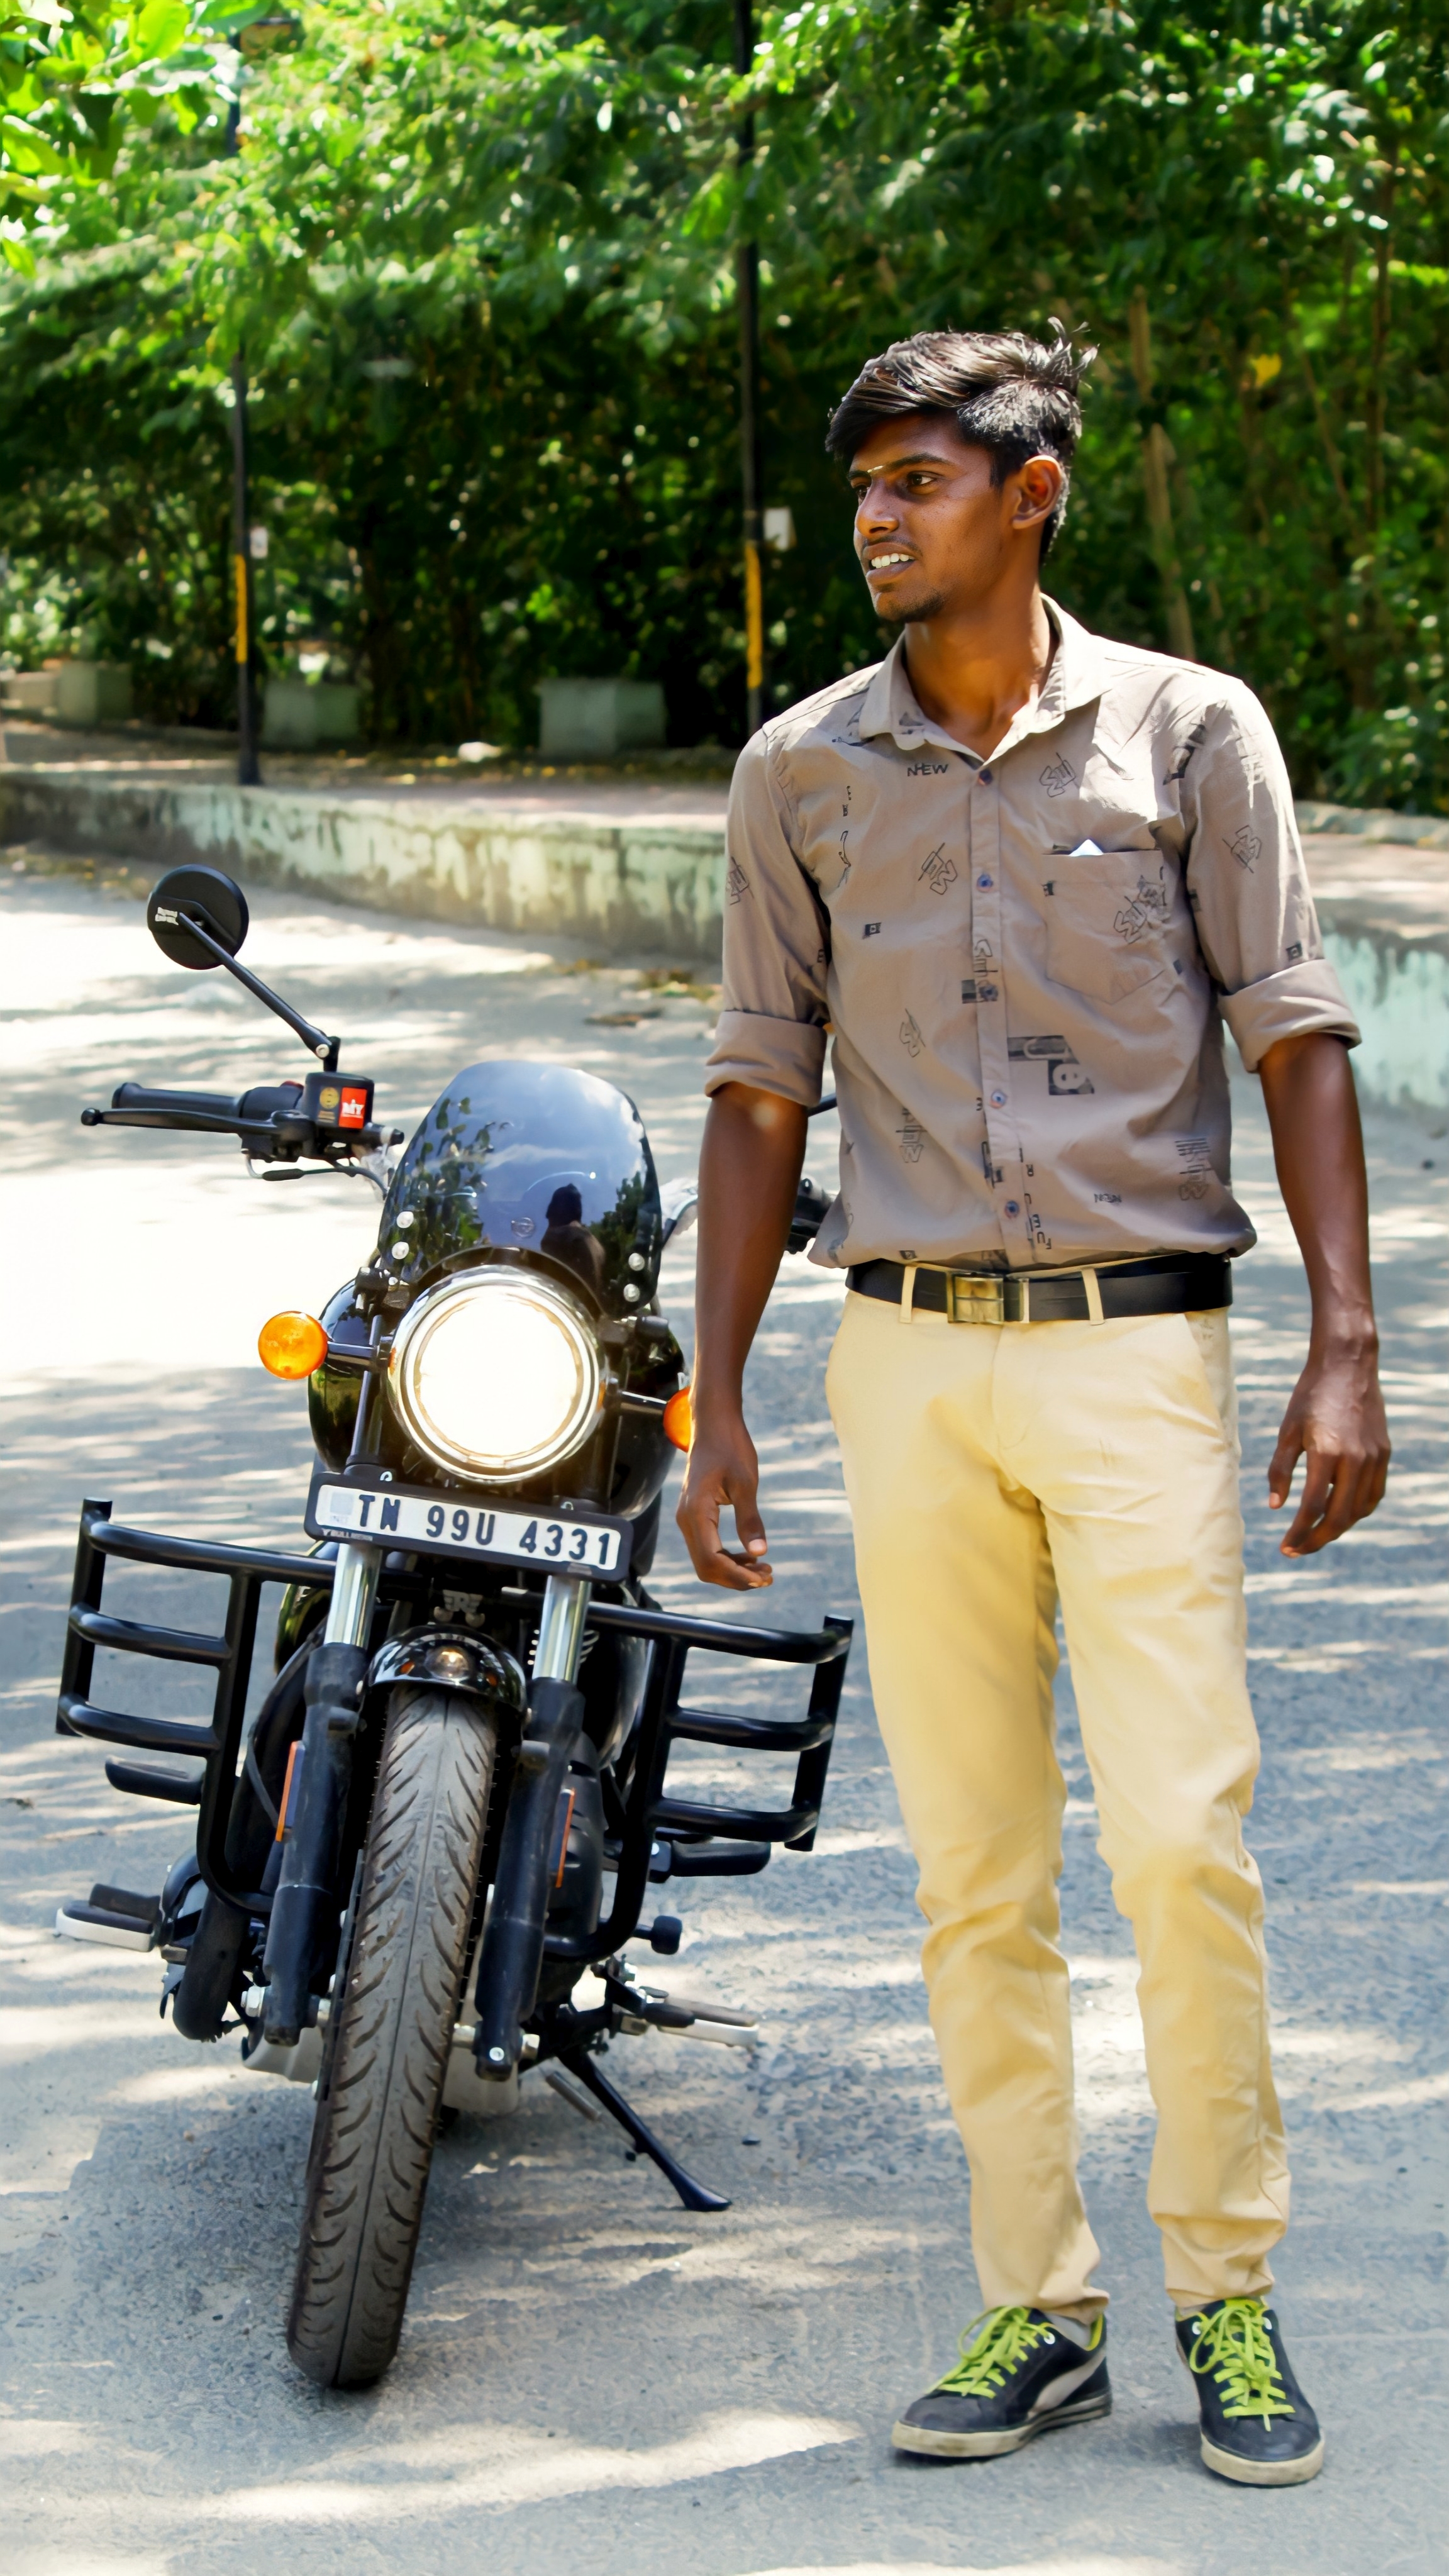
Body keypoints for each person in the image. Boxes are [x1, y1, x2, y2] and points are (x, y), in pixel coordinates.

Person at [677, 328, 1389, 2487]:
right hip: (905, 1360)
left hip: (1135, 1351)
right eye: (864, 489)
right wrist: (720, 1397)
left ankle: (1228, 2293)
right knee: (976, 1869)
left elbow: (1294, 1035)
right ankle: (1039, 2304)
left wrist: (1347, 1344)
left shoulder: (1192, 732)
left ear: (1032, 494)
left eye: (917, 480)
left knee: (1181, 1841)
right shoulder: (801, 771)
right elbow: (758, 1085)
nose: (876, 521)